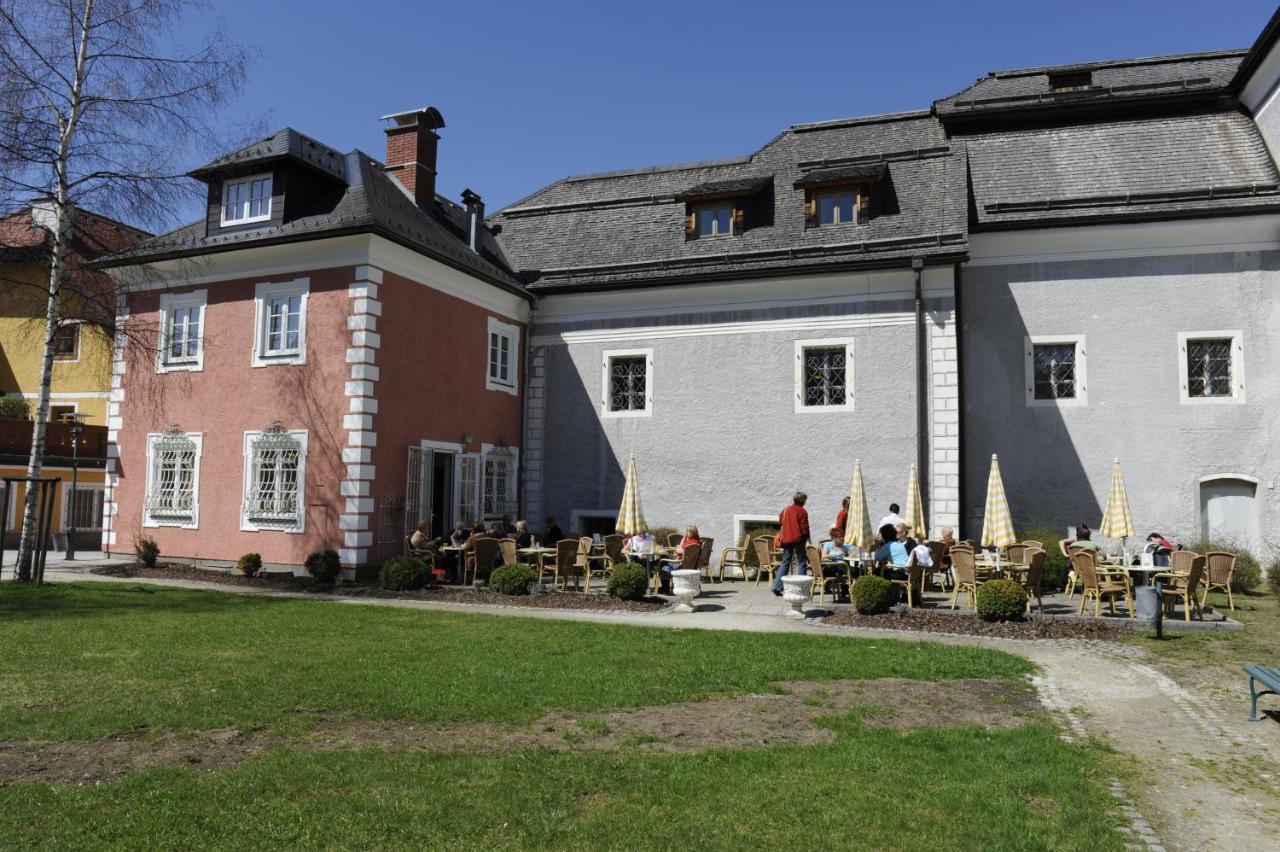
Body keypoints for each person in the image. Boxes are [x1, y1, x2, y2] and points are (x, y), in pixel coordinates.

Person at [773, 492, 811, 596]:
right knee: (801, 562)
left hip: (786, 539)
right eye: (805, 500)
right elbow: (804, 528)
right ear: (802, 501)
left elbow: (780, 521)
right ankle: (801, 588)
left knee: (785, 562)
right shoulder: (803, 511)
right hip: (799, 540)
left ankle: (777, 587)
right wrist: (807, 538)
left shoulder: (786, 510)